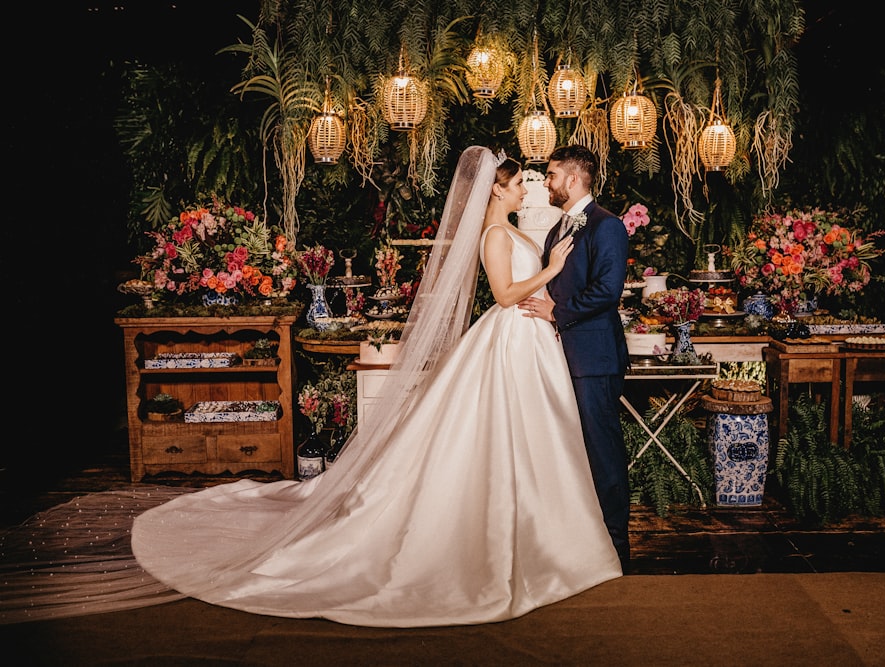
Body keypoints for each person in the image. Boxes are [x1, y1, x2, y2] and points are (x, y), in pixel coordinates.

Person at [127, 146, 622, 628]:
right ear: (497, 187)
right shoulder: (495, 235)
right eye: (519, 184)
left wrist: (556, 293)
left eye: (537, 181)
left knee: (542, 436)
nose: (529, 189)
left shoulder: (536, 229)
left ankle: (548, 531)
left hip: (538, 340)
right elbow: (504, 293)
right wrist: (553, 271)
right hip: (513, 336)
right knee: (505, 433)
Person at [518, 144, 631, 571]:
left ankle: (617, 549)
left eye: (550, 175)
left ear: (572, 178)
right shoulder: (558, 229)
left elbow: (607, 292)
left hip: (594, 358)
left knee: (603, 453)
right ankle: (585, 545)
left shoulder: (607, 227)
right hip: (562, 355)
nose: (545, 183)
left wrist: (555, 312)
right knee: (573, 452)